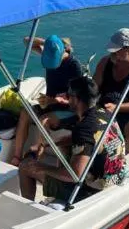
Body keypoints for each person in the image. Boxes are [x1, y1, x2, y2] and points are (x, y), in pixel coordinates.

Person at [17, 75, 126, 204]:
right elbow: (88, 140)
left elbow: (75, 175)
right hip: (116, 178)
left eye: (68, 96)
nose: (67, 99)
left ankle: (29, 210)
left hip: (90, 191)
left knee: (25, 167)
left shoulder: (84, 129)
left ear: (76, 99)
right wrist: (46, 145)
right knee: (66, 145)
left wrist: (40, 167)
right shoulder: (104, 113)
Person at [10, 34, 85, 166]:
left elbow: (78, 100)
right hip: (50, 104)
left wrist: (56, 100)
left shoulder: (74, 66)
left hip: (68, 109)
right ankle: (16, 157)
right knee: (25, 112)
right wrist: (50, 43)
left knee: (43, 120)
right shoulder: (49, 54)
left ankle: (34, 160)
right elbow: (26, 40)